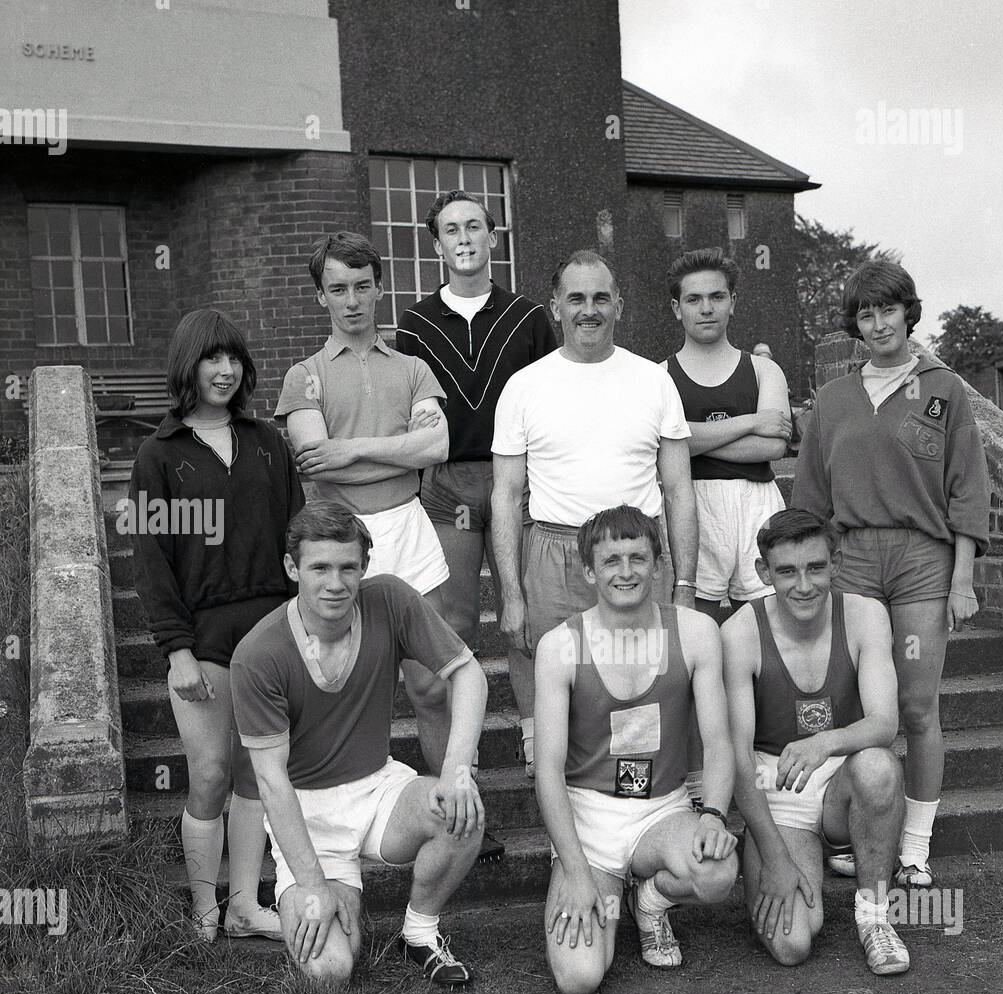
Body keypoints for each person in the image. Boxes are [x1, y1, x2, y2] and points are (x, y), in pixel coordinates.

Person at [230, 501, 489, 989]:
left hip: (376, 788)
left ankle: (420, 932)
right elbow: (270, 780)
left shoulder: (388, 599)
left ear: (365, 566)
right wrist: (310, 883)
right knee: (330, 972)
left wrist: (457, 770)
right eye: (319, 567)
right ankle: (342, 897)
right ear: (292, 568)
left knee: (462, 814)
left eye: (348, 567)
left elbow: (469, 673)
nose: (335, 582)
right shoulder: (258, 654)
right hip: (306, 814)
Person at [791, 258, 990, 887]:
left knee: (916, 706)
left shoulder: (943, 390)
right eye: (866, 313)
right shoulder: (832, 398)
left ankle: (913, 848)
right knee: (851, 703)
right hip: (852, 556)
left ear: (910, 312)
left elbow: (967, 490)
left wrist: (961, 580)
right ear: (856, 324)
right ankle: (855, 828)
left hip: (921, 559)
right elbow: (810, 499)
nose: (878, 324)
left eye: (888, 310)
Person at [126, 308, 304, 943]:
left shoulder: (266, 444)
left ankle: (245, 905)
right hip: (202, 639)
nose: (225, 371)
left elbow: (297, 537)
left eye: (233, 359)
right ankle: (203, 907)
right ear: (188, 366)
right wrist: (175, 649)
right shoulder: (159, 455)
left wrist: (303, 621)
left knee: (260, 773)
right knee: (209, 772)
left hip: (272, 628)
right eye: (212, 359)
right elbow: (151, 562)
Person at [491, 249, 699, 776]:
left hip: (634, 550)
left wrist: (685, 586)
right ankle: (551, 777)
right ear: (554, 307)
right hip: (553, 550)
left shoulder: (653, 380)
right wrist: (511, 594)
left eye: (601, 297)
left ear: (619, 306)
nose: (590, 309)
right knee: (544, 667)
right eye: (576, 298)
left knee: (636, 679)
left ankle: (630, 795)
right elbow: (505, 495)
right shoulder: (524, 386)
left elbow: (677, 488)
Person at [534, 506, 738, 994]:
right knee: (579, 978)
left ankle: (649, 902)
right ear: (588, 571)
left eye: (637, 558)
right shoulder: (559, 646)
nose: (626, 571)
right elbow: (547, 771)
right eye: (611, 561)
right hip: (590, 822)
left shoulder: (694, 632)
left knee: (717, 873)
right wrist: (578, 872)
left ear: (658, 564)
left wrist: (712, 814)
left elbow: (718, 743)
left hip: (660, 813)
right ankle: (596, 889)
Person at [275, 231, 455, 777]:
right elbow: (313, 459)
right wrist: (404, 452)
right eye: (337, 288)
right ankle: (344, 798)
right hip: (338, 539)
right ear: (321, 297)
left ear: (379, 289)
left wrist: (349, 448)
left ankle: (448, 801)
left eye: (361, 286)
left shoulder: (412, 369)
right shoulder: (304, 376)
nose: (351, 300)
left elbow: (439, 447)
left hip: (410, 529)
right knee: (341, 684)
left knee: (429, 684)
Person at [395, 190, 556, 776]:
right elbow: (409, 414)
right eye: (449, 230)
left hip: (520, 481)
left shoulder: (529, 317)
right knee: (451, 625)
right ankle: (455, 773)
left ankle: (543, 755)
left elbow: (550, 404)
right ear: (437, 245)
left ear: (493, 236)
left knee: (526, 620)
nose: (463, 238)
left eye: (473, 227)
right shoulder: (414, 324)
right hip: (448, 487)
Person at [722, 509, 910, 975]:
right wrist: (774, 857)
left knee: (879, 766)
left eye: (815, 568)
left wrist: (823, 743)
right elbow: (738, 758)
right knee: (792, 945)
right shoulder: (739, 632)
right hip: (777, 785)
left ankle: (875, 918)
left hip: (839, 776)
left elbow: (885, 723)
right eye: (786, 571)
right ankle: (783, 856)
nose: (803, 585)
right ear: (764, 572)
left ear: (836, 564)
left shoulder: (866, 614)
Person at [663, 249, 792, 628]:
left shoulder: (763, 370)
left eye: (717, 297)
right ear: (677, 308)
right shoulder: (659, 377)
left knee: (766, 629)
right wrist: (751, 420)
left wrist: (691, 437)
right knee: (694, 629)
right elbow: (669, 448)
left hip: (757, 502)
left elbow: (772, 447)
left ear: (732, 302)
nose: (706, 308)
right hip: (691, 503)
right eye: (694, 299)